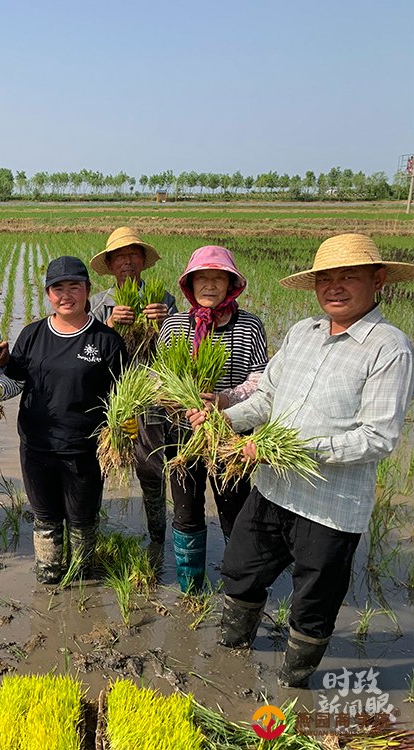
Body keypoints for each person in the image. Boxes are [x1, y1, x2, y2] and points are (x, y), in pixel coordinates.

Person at [188, 233, 414, 688]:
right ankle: (231, 664)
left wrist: (286, 449)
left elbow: (378, 438)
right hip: (272, 489)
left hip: (331, 507)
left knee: (313, 604)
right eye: (325, 278)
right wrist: (223, 416)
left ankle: (294, 685)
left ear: (379, 280)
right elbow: (266, 400)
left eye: (348, 277)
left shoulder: (389, 348)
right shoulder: (301, 334)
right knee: (239, 571)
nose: (334, 286)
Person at [0, 257, 127, 583]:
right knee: (45, 518)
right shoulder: (32, 335)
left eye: (74, 287)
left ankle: (83, 580)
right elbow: (16, 382)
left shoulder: (107, 341)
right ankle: (50, 576)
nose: (66, 295)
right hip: (37, 447)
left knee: (82, 520)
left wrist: (124, 427)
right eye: (58, 288)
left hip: (86, 449)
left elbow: (122, 394)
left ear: (88, 290)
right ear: (48, 294)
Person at [155, 246, 268, 592]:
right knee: (186, 510)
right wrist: (181, 402)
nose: (208, 285)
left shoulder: (249, 326)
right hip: (183, 434)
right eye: (201, 278)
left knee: (235, 509)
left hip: (231, 433)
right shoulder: (174, 325)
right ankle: (191, 586)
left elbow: (261, 380)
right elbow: (159, 378)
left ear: (230, 284)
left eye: (217, 278)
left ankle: (239, 586)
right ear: (190, 285)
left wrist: (223, 401)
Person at [89, 226, 179, 551]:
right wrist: (107, 327)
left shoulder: (164, 300)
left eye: (132, 255)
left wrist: (166, 322)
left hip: (149, 402)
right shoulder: (99, 305)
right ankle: (90, 535)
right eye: (119, 257)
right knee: (96, 468)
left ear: (142, 260)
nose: (126, 262)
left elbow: (178, 355)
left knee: (152, 470)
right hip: (107, 401)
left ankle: (157, 540)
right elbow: (87, 354)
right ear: (110, 265)